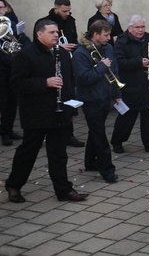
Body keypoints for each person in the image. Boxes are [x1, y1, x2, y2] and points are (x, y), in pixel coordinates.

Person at [4, 19, 88, 203]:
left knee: (58, 154)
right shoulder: (26, 55)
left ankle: (63, 190)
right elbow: (17, 84)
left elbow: (68, 82)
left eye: (57, 32)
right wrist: (45, 82)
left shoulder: (62, 53)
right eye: (51, 32)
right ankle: (14, 185)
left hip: (60, 112)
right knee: (28, 151)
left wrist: (71, 110)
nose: (56, 35)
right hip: (37, 113)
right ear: (39, 34)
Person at [73, 20, 122, 183]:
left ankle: (90, 162)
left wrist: (117, 92)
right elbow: (84, 78)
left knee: (95, 131)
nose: (109, 38)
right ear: (95, 35)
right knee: (100, 134)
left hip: (105, 96)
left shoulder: (107, 48)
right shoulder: (81, 53)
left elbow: (114, 71)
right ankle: (107, 170)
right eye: (106, 35)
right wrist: (101, 67)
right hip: (90, 100)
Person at [37, 0, 85, 147]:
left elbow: (74, 37)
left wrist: (72, 46)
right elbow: (38, 45)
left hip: (67, 61)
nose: (67, 14)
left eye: (69, 11)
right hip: (51, 63)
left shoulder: (71, 21)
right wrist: (59, 47)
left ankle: (68, 133)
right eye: (64, 11)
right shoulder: (44, 23)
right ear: (56, 9)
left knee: (68, 96)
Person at [111, 15, 149, 153]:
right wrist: (138, 62)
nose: (141, 30)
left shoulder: (148, 39)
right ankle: (118, 142)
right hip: (130, 85)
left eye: (142, 27)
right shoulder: (122, 41)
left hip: (147, 85)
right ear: (129, 28)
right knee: (127, 117)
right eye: (137, 27)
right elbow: (118, 62)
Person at [0, 0, 29, 146]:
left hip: (13, 70)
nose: (1, 11)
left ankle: (9, 129)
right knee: (4, 102)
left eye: (2, 7)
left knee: (12, 101)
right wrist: (16, 62)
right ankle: (4, 133)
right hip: (2, 71)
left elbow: (23, 39)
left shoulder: (10, 25)